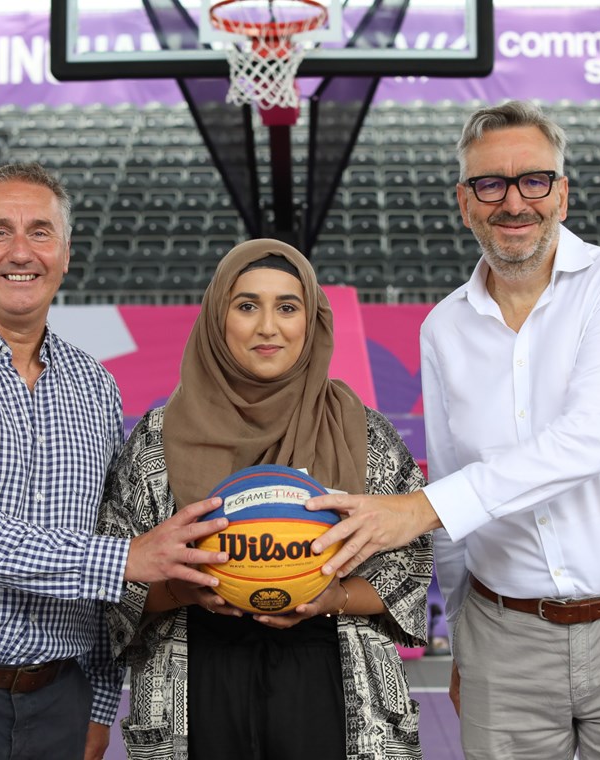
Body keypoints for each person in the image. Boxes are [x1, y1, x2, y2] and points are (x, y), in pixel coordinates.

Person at [307, 100, 600, 759]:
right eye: (490, 184)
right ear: (465, 204)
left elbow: (586, 441)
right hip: (504, 640)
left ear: (562, 194)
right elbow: (459, 486)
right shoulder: (443, 330)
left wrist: (420, 508)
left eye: (533, 181)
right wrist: (463, 639)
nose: (513, 202)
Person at [0, 162, 230, 760]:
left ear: (65, 252)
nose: (20, 251)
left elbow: (107, 545)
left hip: (59, 701)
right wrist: (129, 558)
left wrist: (100, 702)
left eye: (40, 231)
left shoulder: (96, 386)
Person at [96, 239, 433, 759]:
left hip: (335, 683)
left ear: (311, 321)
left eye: (288, 307)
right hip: (194, 685)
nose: (268, 326)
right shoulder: (156, 439)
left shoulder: (361, 431)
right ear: (216, 319)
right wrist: (186, 591)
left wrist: (334, 598)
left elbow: (411, 565)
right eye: (247, 305)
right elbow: (116, 579)